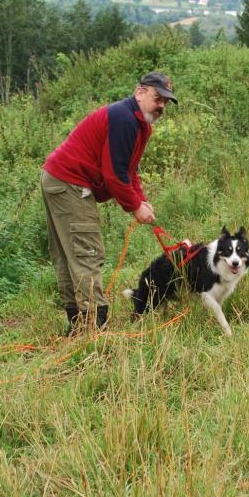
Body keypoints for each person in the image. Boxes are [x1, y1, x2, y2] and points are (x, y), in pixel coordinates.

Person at [41, 71, 176, 335]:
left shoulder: (139, 123)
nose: (161, 106)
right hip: (69, 181)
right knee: (86, 251)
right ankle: (93, 329)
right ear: (140, 92)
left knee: (72, 253)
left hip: (59, 179)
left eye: (165, 102)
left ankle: (79, 325)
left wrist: (141, 199)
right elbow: (113, 175)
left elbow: (128, 169)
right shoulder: (124, 118)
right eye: (157, 98)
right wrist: (134, 206)